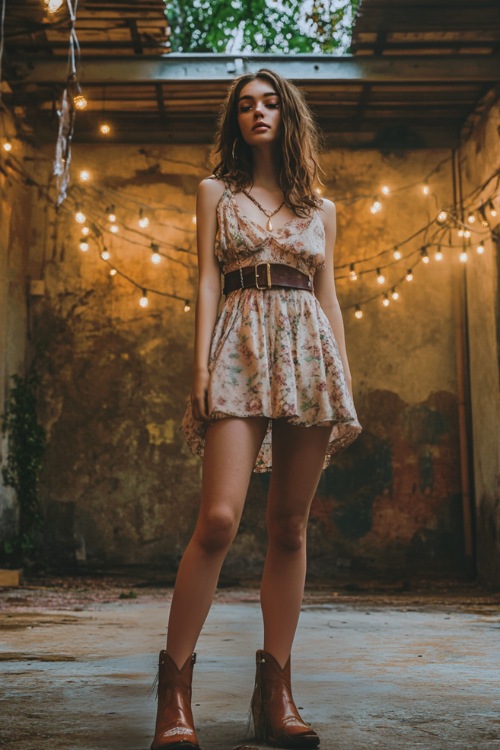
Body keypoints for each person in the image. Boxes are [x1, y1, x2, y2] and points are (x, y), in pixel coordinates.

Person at [150, 68, 361, 750]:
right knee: (217, 520)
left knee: (290, 527)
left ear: (288, 115)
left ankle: (276, 694)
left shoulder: (320, 209)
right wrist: (201, 367)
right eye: (245, 105)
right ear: (234, 120)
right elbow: (207, 280)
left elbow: (327, 300)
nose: (258, 113)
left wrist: (344, 383)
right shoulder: (215, 192)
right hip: (237, 349)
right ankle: (174, 695)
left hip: (309, 355)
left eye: (270, 103)